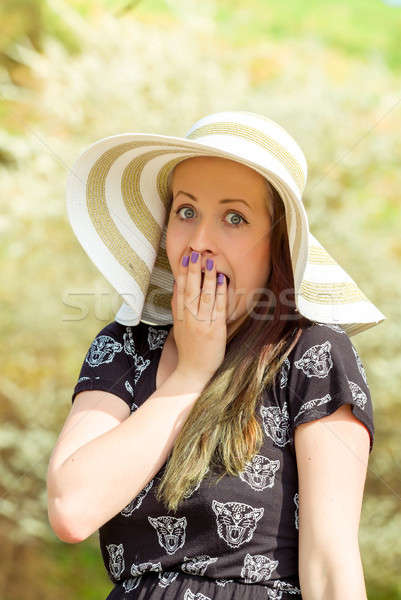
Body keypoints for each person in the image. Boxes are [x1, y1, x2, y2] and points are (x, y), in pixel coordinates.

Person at [47, 111, 386, 600]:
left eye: (235, 218)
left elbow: (331, 565)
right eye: (186, 211)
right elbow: (71, 509)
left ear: (277, 247)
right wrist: (192, 373)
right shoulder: (126, 345)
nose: (200, 243)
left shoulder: (313, 355)